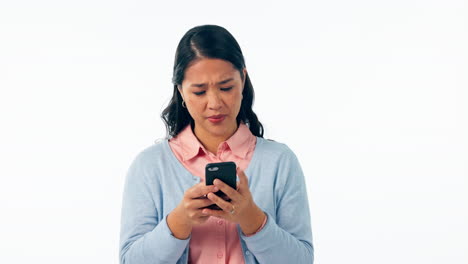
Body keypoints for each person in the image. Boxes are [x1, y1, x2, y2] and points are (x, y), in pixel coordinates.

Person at [119, 24, 314, 264]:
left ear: (243, 79)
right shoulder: (150, 166)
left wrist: (251, 217)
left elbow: (301, 260)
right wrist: (180, 219)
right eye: (199, 92)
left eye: (226, 87)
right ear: (180, 91)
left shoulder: (280, 161)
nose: (214, 103)